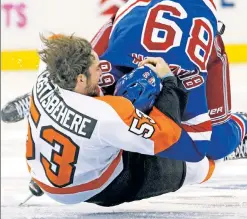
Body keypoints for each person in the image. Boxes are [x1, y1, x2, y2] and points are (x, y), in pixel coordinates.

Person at [1, 0, 247, 160]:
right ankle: (45, 94)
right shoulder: (107, 66)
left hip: (191, 15)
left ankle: (243, 123)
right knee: (77, 68)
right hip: (140, 9)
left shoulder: (190, 76)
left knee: (216, 145)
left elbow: (198, 147)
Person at [25, 34, 216, 206]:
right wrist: (168, 81)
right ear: (80, 79)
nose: (103, 69)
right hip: (94, 187)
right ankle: (230, 152)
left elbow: (56, 40)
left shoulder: (44, 76)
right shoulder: (107, 115)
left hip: (42, 172)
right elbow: (169, 135)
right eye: (97, 68)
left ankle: (50, 159)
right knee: (198, 166)